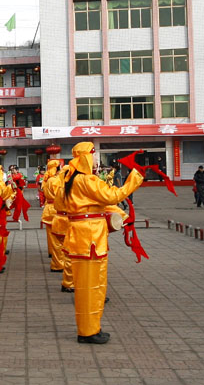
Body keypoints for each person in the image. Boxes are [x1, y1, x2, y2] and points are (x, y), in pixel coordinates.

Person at [56, 142, 143, 344]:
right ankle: (87, 331)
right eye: (94, 156)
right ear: (87, 157)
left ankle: (92, 327)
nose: (96, 160)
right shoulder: (85, 180)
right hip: (89, 239)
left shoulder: (71, 180)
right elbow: (113, 195)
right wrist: (134, 179)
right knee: (90, 287)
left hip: (87, 237)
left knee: (94, 285)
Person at [40, 160, 61, 271]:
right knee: (57, 237)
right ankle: (57, 261)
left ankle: (52, 253)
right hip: (55, 209)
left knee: (50, 235)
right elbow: (60, 196)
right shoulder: (55, 181)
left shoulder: (48, 180)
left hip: (49, 208)